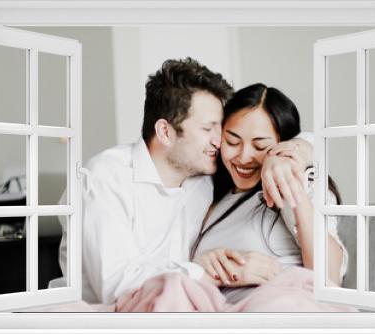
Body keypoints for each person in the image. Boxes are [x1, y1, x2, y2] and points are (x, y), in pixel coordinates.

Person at [58, 59, 314, 304]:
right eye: (208, 129)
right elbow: (116, 287)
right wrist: (212, 272)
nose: (220, 140)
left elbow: (299, 137)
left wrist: (292, 153)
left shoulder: (204, 178)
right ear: (165, 132)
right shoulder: (105, 178)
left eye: (221, 128)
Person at [190, 83, 347, 303]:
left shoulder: (300, 185)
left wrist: (290, 175)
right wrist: (206, 269)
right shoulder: (212, 196)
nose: (244, 157)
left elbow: (328, 279)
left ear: (281, 143)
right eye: (232, 141)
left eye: (260, 146)